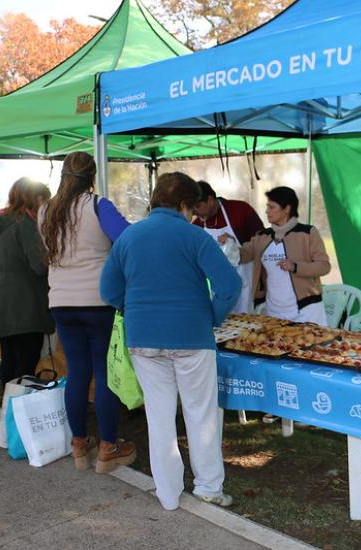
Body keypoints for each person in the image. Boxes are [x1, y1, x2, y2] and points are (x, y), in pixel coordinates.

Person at [100, 172, 241, 511]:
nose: (194, 215)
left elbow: (108, 290)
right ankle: (208, 487)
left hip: (143, 338)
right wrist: (211, 316)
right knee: (201, 413)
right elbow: (230, 285)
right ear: (183, 205)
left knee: (159, 416)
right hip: (192, 336)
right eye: (193, 208)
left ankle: (167, 493)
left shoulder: (129, 237)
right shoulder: (195, 236)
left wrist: (133, 310)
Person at [38, 151, 135, 473]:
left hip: (61, 302)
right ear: (92, 176)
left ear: (63, 175)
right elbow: (128, 240)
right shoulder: (98, 206)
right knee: (104, 372)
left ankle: (79, 444)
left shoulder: (46, 210)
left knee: (77, 372)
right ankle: (108, 446)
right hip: (98, 301)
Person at [0, 178, 53, 387]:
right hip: (21, 305)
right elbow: (39, 266)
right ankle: (18, 405)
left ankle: (8, 404)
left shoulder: (3, 225)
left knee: (10, 360)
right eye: (45, 202)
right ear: (36, 199)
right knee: (25, 364)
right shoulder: (25, 225)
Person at [240, 186, 331, 325]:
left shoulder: (308, 233)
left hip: (306, 309)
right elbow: (241, 255)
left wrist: (295, 266)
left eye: (272, 207)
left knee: (311, 340)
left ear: (287, 209)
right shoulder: (262, 236)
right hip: (273, 309)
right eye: (267, 207)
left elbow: (324, 266)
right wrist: (228, 243)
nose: (267, 211)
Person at [193, 181, 264, 313]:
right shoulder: (196, 226)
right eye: (192, 208)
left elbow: (262, 240)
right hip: (220, 288)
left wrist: (235, 248)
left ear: (210, 200)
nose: (195, 212)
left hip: (247, 281)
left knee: (248, 320)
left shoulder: (240, 210)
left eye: (198, 206)